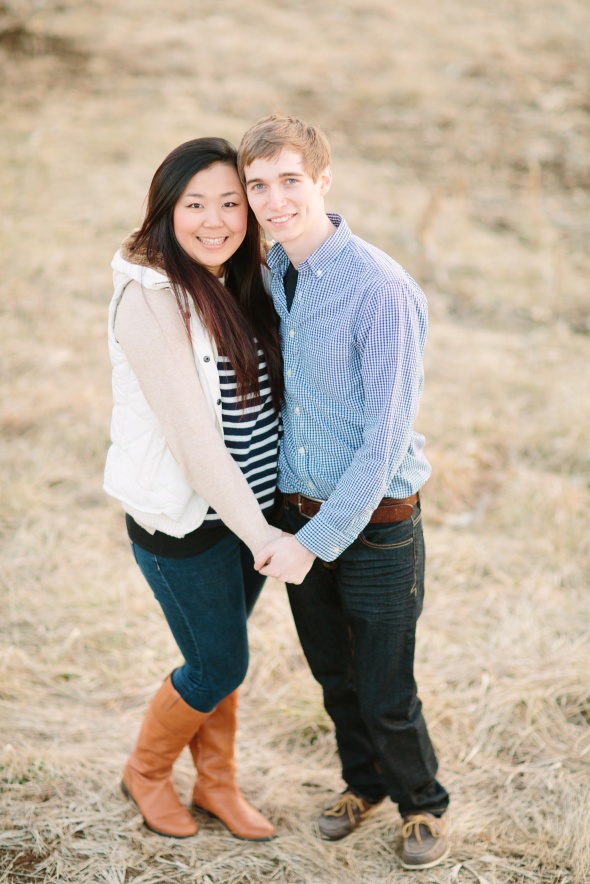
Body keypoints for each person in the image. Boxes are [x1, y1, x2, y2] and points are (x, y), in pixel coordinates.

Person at [238, 114, 451, 870]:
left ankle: (421, 801)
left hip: (376, 525)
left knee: (385, 682)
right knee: (334, 675)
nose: (272, 199)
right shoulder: (271, 270)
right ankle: (363, 785)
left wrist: (315, 543)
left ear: (323, 181)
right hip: (296, 517)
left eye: (289, 181)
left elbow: (385, 439)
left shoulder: (382, 290)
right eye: (257, 185)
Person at [103, 137, 283, 841]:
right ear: (165, 210)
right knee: (218, 660)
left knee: (222, 650)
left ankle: (216, 783)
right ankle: (145, 773)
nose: (215, 220)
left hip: (253, 512)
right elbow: (193, 439)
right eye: (195, 204)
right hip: (186, 521)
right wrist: (262, 533)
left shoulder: (244, 277)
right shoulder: (150, 300)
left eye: (231, 203)